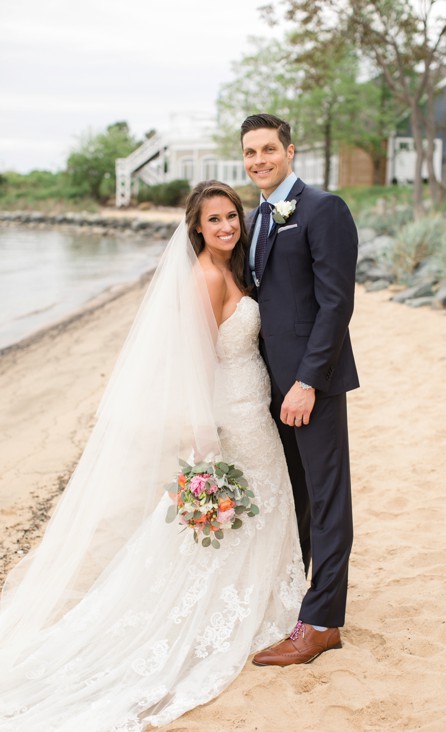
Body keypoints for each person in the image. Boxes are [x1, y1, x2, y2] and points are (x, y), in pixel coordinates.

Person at [0, 180, 306, 730]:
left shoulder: (236, 268)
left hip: (253, 405)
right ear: (196, 228)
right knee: (238, 514)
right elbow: (193, 361)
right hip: (230, 415)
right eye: (213, 220)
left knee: (261, 506)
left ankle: (257, 596)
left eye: (231, 216)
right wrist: (203, 435)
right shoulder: (208, 276)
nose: (226, 227)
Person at [237, 114, 360, 667]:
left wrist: (308, 381)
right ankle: (295, 600)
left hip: (313, 383)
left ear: (290, 151)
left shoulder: (322, 209)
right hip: (268, 384)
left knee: (328, 498)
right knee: (296, 499)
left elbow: (336, 303)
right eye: (249, 152)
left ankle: (322, 623)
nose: (259, 160)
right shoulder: (255, 217)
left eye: (268, 149)